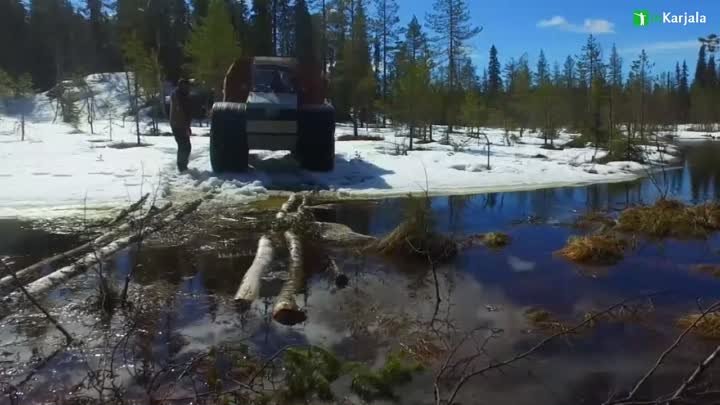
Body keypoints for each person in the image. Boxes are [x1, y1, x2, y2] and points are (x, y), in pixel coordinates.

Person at [170, 79, 192, 172]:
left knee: (184, 145)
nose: (187, 88)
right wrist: (185, 127)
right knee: (184, 145)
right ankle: (182, 167)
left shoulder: (182, 96)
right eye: (185, 86)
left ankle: (182, 166)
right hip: (178, 125)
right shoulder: (178, 97)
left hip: (179, 124)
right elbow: (180, 113)